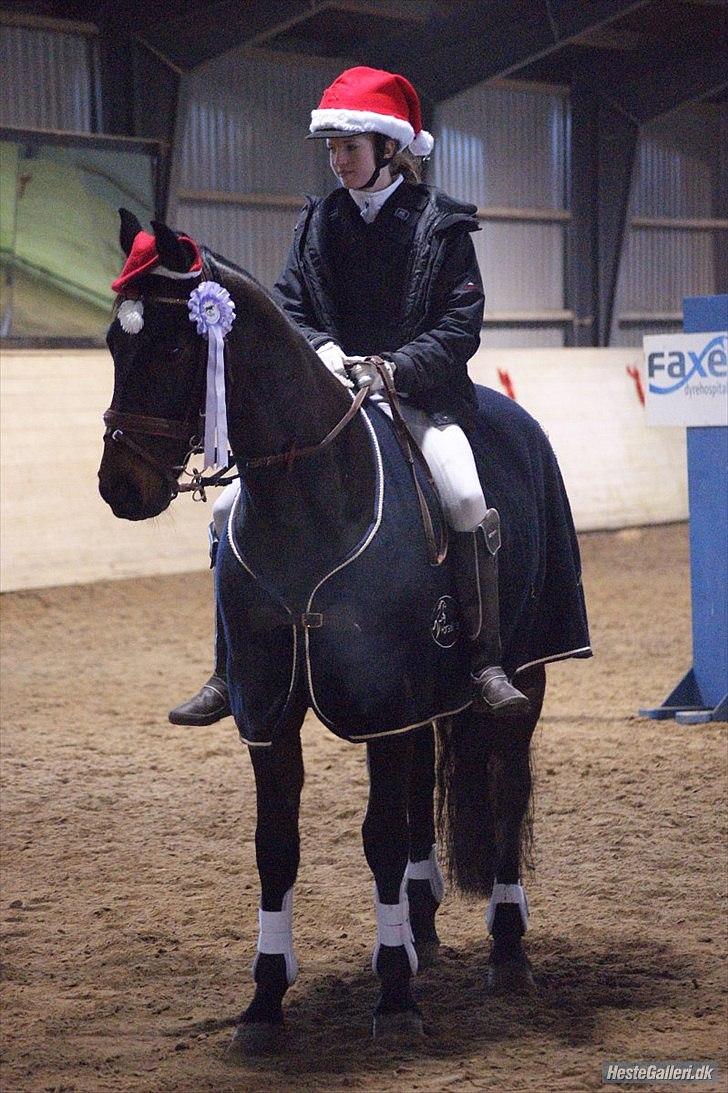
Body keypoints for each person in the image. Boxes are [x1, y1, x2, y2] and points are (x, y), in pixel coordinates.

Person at [169, 65, 528, 726]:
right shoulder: (319, 223)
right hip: (330, 396)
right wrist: (324, 352)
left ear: (388, 148)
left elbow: (459, 324)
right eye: (331, 149)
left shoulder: (441, 226)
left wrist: (395, 367)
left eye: (350, 148)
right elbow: (290, 309)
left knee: (467, 496)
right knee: (224, 512)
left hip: (417, 395)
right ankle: (227, 669)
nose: (337, 162)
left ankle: (484, 658)